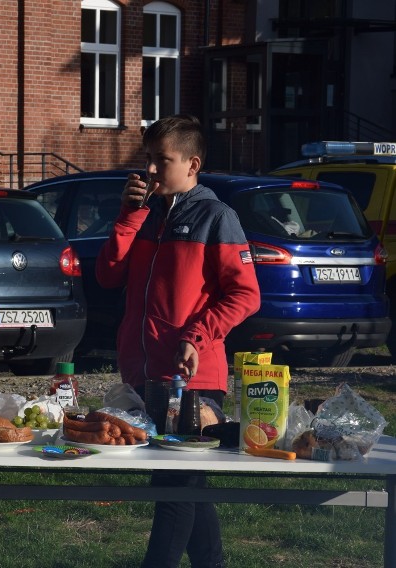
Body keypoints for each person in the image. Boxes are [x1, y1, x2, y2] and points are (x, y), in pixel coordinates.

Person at [95, 114, 260, 568]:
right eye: (147, 159)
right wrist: (129, 217)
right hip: (147, 374)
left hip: (193, 378)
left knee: (174, 488)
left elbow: (246, 294)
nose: (149, 170)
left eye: (161, 161)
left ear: (193, 164)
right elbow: (108, 275)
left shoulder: (216, 217)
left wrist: (196, 334)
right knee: (186, 485)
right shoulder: (145, 214)